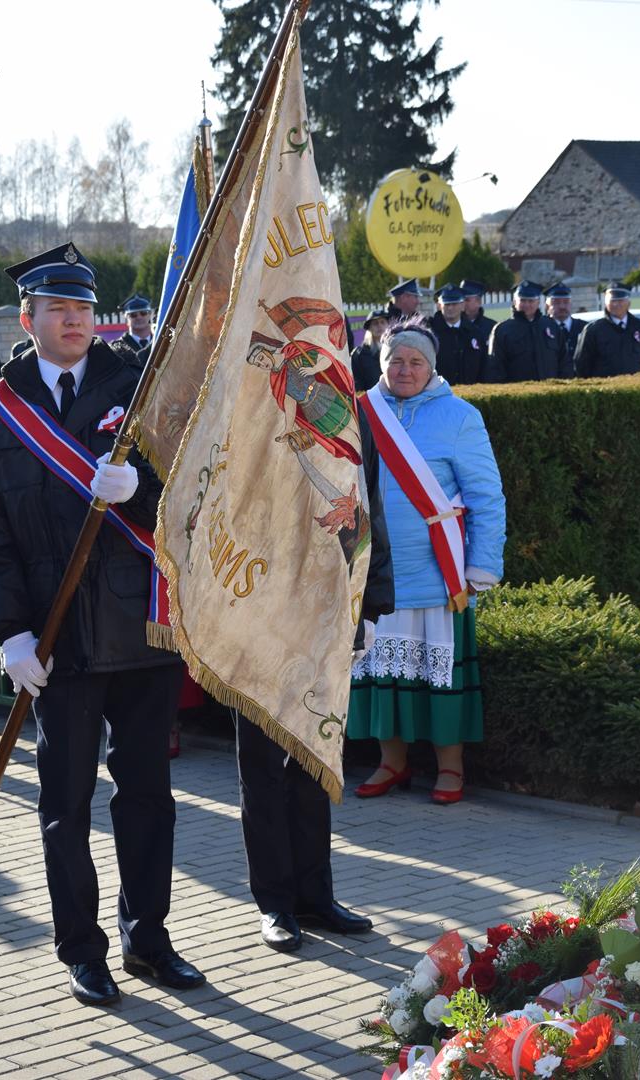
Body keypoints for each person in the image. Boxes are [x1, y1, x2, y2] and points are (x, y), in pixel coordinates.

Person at [0, 241, 204, 1009]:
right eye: (59, 310)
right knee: (65, 804)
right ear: (26, 320)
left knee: (147, 795)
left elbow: (191, 485)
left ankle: (149, 937)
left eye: (84, 309)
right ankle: (83, 949)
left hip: (138, 628)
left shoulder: (136, 385)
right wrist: (9, 634)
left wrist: (139, 489)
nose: (75, 322)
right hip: (56, 640)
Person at [240, 424, 393, 952]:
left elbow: (366, 499)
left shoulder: (343, 392)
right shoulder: (250, 393)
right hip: (257, 596)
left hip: (327, 602)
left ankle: (315, 895)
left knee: (315, 758)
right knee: (262, 767)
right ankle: (275, 902)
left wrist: (371, 602)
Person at [350, 321, 505, 805]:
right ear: (382, 362)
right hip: (376, 573)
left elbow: (487, 496)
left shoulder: (460, 416)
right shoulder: (359, 411)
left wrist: (482, 565)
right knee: (381, 676)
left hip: (438, 573)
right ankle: (391, 763)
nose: (405, 369)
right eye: (396, 360)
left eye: (416, 361)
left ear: (432, 366)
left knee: (442, 678)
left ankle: (450, 769)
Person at [483, 281, 566, 382]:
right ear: (514, 302)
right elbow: (495, 367)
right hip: (518, 393)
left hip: (550, 392)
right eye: (522, 300)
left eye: (531, 301)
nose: (527, 304)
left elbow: (564, 361)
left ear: (538, 302)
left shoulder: (551, 326)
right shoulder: (502, 330)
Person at [575, 283, 640, 378]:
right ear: (606, 303)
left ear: (628, 303)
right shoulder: (594, 330)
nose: (616, 304)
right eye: (612, 301)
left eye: (620, 300)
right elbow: (582, 363)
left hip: (633, 386)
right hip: (605, 388)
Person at [428, 285, 485, 386]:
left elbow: (483, 366)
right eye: (447, 304)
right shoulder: (431, 333)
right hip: (439, 393)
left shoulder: (474, 332)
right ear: (439, 306)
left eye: (454, 304)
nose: (450, 308)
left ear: (463, 306)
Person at [349, 308, 390, 393]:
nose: (379, 326)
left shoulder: (396, 350)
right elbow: (356, 383)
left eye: (382, 322)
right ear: (369, 328)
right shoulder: (359, 354)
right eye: (375, 323)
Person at [546, 284, 584, 372]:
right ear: (547, 307)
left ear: (571, 304)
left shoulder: (584, 327)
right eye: (556, 302)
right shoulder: (542, 329)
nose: (562, 306)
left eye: (566, 302)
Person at [113, 295, 154, 368]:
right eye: (133, 315)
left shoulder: (160, 339)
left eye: (143, 313)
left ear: (150, 314)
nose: (139, 317)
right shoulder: (119, 347)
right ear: (126, 317)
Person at [460, 279, 497, 355]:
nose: (463, 303)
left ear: (479, 302)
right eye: (461, 300)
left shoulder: (492, 327)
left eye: (466, 300)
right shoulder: (455, 325)